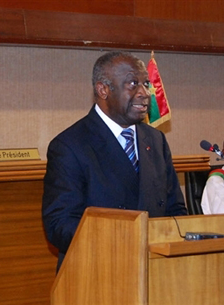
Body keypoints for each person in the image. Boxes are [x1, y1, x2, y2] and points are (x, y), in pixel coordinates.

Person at [42, 51, 187, 270]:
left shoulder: (155, 139)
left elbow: (176, 209)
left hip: (156, 270)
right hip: (98, 272)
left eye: (146, 84)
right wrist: (122, 241)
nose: (144, 93)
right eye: (132, 83)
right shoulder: (70, 146)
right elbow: (59, 225)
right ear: (103, 90)